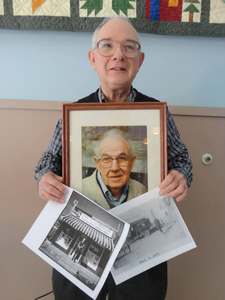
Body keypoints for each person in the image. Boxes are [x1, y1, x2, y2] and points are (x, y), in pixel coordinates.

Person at [34, 16, 192, 300]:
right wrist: (44, 178)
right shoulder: (73, 116)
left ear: (139, 60)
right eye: (107, 46)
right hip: (79, 242)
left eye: (129, 47)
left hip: (141, 249)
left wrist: (181, 176)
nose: (118, 55)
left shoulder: (157, 114)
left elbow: (182, 160)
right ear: (93, 58)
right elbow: (47, 162)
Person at [82, 128, 147, 210]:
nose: (114, 168)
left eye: (122, 158)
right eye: (106, 159)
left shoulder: (142, 191)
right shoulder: (80, 190)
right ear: (97, 164)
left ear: (131, 162)